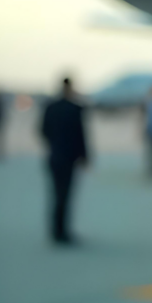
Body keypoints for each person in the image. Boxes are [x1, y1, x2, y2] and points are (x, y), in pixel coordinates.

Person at [40, 77, 89, 245]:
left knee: (56, 194)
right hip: (69, 158)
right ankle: (62, 232)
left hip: (55, 157)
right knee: (65, 195)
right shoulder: (75, 109)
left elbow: (42, 131)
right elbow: (81, 135)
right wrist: (84, 156)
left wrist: (54, 145)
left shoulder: (50, 107)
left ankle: (56, 230)